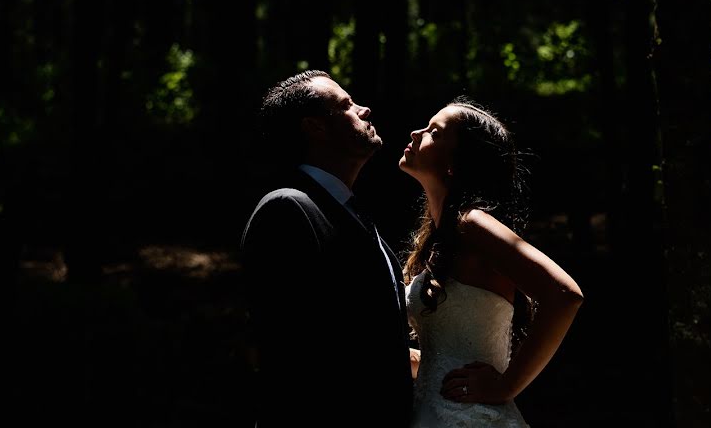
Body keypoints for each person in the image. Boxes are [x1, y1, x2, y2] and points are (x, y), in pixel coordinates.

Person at [240, 70, 414, 427]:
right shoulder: (287, 209)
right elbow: (290, 349)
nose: (365, 109)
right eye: (347, 105)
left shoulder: (354, 214)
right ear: (314, 127)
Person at [399, 96, 584, 427]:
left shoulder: (472, 224)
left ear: (455, 164)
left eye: (434, 132)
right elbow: (449, 351)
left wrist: (505, 385)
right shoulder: (440, 238)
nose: (416, 133)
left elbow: (565, 295)